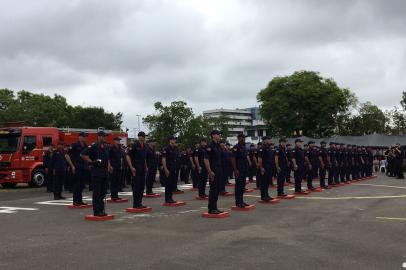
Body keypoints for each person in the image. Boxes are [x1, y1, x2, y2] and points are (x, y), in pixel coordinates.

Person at [81, 131, 112, 217]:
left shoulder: (105, 146)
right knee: (97, 192)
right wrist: (92, 162)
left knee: (103, 192)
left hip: (105, 172)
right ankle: (97, 211)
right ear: (99, 136)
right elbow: (83, 154)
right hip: (97, 172)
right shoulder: (94, 145)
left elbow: (107, 158)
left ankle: (101, 210)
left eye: (105, 136)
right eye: (103, 136)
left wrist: (109, 166)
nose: (105, 137)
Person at [126, 132, 149, 209]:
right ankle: (135, 204)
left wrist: (146, 166)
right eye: (140, 136)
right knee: (136, 187)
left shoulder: (145, 146)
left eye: (143, 136)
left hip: (142, 168)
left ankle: (140, 203)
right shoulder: (134, 145)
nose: (142, 137)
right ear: (138, 137)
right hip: (136, 168)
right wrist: (131, 167)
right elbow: (128, 156)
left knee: (142, 186)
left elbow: (144, 157)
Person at [204, 130, 224, 215]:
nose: (219, 135)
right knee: (213, 190)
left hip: (219, 170)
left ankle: (215, 207)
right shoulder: (210, 145)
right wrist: (210, 171)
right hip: (213, 171)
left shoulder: (218, 145)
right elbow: (206, 159)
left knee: (216, 190)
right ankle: (211, 208)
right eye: (218, 134)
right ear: (213, 135)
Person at [68, 132, 89, 206]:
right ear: (80, 137)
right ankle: (75, 201)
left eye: (85, 137)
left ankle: (80, 200)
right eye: (84, 136)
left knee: (81, 184)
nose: (85, 138)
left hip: (83, 167)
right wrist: (72, 165)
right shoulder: (74, 145)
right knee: (76, 184)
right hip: (76, 167)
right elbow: (67, 155)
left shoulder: (86, 145)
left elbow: (87, 156)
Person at [231, 133, 250, 207]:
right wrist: (235, 169)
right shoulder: (236, 147)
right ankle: (238, 202)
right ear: (239, 138)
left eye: (244, 138)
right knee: (238, 186)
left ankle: (241, 201)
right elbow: (233, 159)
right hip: (239, 169)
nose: (244, 139)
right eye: (242, 138)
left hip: (244, 169)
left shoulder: (243, 147)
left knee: (242, 186)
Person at [161, 136, 180, 203]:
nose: (174, 141)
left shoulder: (175, 148)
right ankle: (167, 199)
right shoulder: (166, 148)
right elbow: (163, 159)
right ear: (170, 140)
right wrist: (165, 169)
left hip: (173, 168)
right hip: (168, 168)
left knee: (171, 184)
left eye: (175, 140)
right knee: (168, 184)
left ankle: (170, 198)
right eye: (173, 139)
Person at [257, 136, 276, 201]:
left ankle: (266, 195)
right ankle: (263, 196)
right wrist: (261, 168)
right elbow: (260, 159)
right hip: (264, 168)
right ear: (265, 140)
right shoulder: (262, 148)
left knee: (267, 182)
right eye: (268, 139)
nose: (270, 141)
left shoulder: (268, 148)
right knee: (263, 182)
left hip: (269, 167)